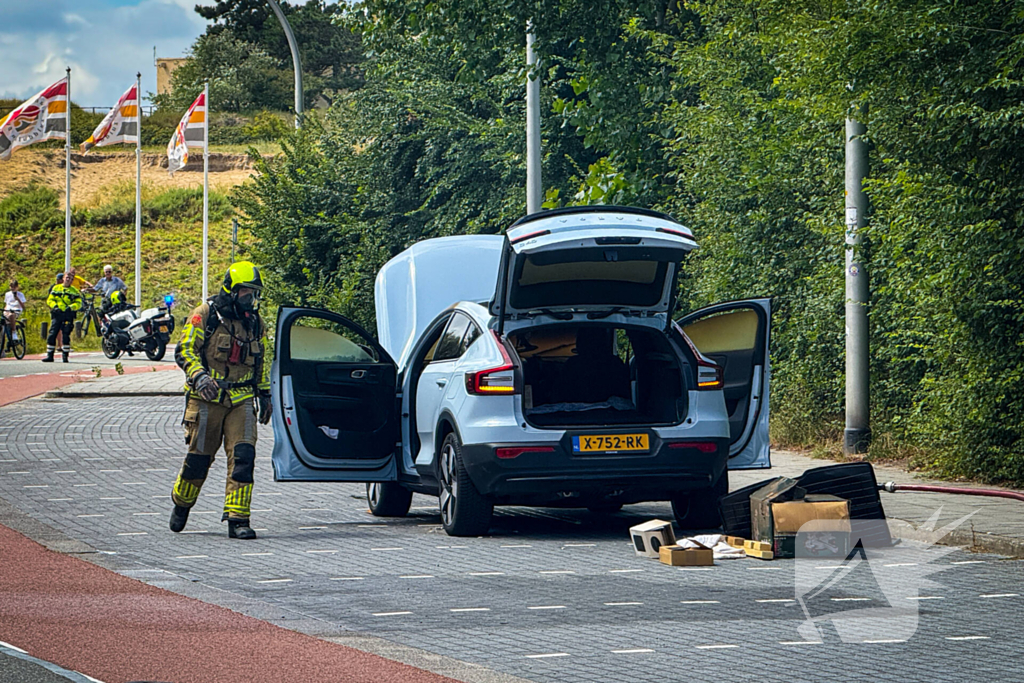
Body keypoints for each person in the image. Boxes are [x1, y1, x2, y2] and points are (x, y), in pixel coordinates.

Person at [169, 261, 272, 540]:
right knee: (199, 460)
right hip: (206, 399)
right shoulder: (205, 315)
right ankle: (182, 502)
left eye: (254, 293)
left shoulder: (255, 323)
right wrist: (200, 377)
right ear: (230, 290)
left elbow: (260, 361)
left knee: (243, 457)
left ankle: (238, 519)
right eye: (245, 292)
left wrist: (265, 393)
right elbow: (185, 350)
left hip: (241, 400)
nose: (251, 299)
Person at [44, 272, 82, 363]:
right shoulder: (56, 288)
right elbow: (50, 299)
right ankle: (50, 355)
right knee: (52, 333)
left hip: (68, 315)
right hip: (57, 314)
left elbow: (79, 303)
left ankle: (65, 356)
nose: (68, 279)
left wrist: (71, 307)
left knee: (66, 335)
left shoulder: (74, 291)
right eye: (67, 277)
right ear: (63, 278)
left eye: (71, 278)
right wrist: (55, 306)